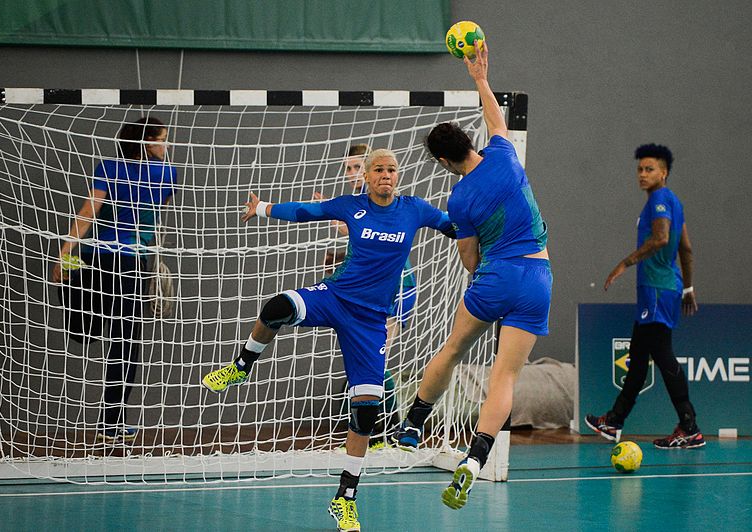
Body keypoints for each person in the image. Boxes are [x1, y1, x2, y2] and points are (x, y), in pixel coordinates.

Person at [202, 148, 455, 532]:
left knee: (366, 409)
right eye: (379, 170)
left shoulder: (414, 209)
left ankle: (345, 499)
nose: (386, 175)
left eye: (392, 170)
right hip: (335, 298)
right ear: (367, 177)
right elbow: (307, 212)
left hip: (370, 320)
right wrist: (265, 208)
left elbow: (455, 226)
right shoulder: (351, 206)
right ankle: (239, 367)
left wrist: (488, 227)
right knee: (276, 308)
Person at [391, 39, 552, 510]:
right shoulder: (504, 154)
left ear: (444, 162)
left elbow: (467, 259)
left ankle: (412, 424)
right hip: (538, 280)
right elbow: (495, 117)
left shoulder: (459, 201)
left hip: (494, 277)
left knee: (455, 348)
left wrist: (483, 268)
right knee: (505, 375)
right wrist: (480, 77)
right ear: (470, 140)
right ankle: (476, 459)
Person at [52, 116, 176, 443]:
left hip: (108, 260)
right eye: (162, 139)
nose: (167, 145)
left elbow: (91, 212)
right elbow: (95, 209)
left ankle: (112, 421)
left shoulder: (145, 170)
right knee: (122, 342)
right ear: (145, 142)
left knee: (118, 341)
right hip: (122, 262)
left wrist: (66, 251)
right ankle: (112, 420)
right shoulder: (163, 173)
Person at [585, 144, 703, 449]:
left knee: (662, 355)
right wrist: (688, 287)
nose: (642, 174)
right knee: (638, 359)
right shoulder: (672, 201)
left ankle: (689, 426)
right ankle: (614, 421)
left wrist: (625, 262)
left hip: (656, 289)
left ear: (663, 172)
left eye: (649, 169)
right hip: (667, 288)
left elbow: (662, 238)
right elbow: (685, 248)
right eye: (639, 169)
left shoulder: (661, 199)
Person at [315, 144, 413, 450]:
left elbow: (375, 241)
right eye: (348, 168)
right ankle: (374, 434)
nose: (352, 174)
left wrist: (341, 233)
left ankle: (391, 430)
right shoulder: (356, 205)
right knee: (366, 362)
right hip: (370, 294)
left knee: (375, 362)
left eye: (358, 167)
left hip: (394, 291)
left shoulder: (386, 205)